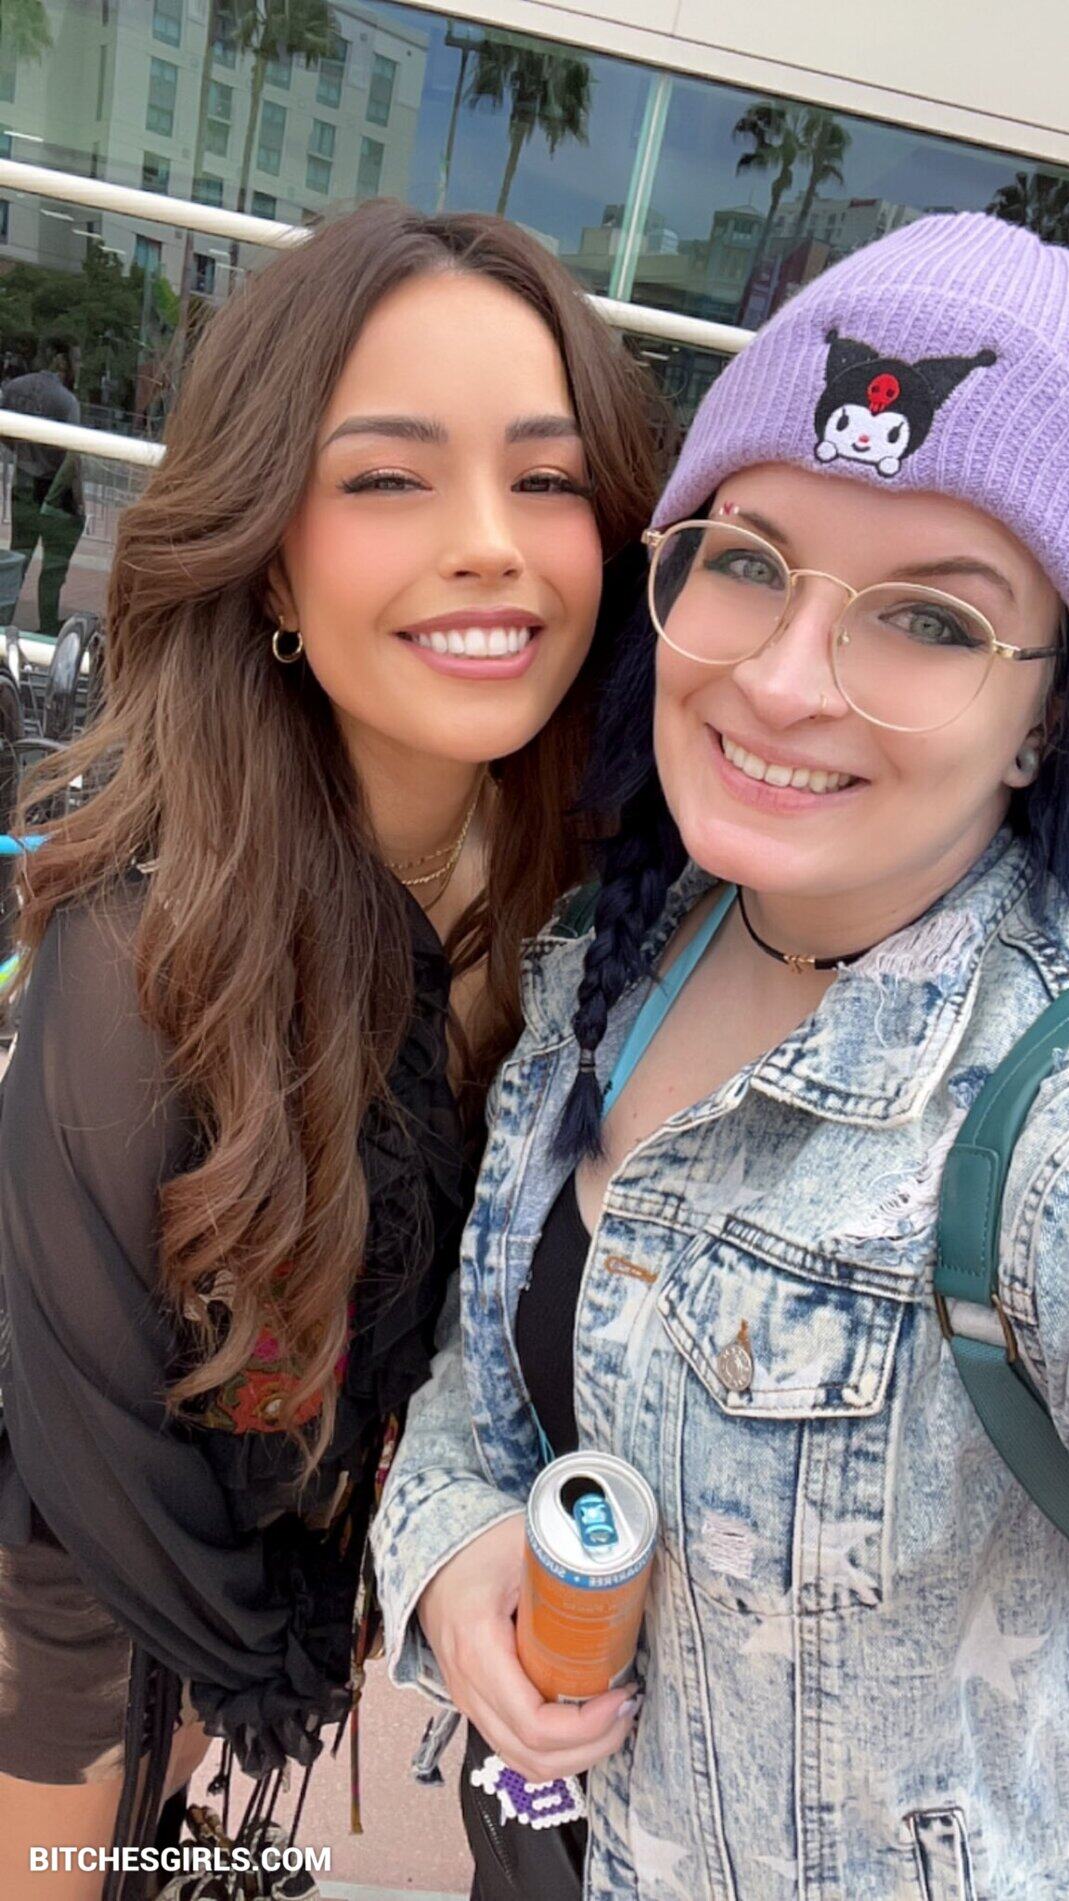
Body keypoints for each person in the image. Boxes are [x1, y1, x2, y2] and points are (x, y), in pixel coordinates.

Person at [374, 211, 1069, 1900]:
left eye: (931, 617)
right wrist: (452, 1553)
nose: (780, 678)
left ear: (1041, 715)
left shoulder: (1036, 1126)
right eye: (747, 560)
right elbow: (483, 1382)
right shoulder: (611, 951)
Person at [0, 198, 661, 1901]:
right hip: (93, 1610)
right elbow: (90, 1492)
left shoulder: (595, 904)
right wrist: (270, 1670)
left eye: (543, 477)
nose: (490, 544)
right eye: (386, 478)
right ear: (271, 557)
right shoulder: (145, 955)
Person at [2, 341, 86, 636]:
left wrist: (22, 453)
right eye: (77, 360)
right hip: (53, 488)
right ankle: (47, 626)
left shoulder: (15, 388)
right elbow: (73, 454)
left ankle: (4, 619)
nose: (80, 367)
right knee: (53, 567)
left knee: (19, 556)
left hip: (24, 480)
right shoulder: (66, 400)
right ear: (63, 361)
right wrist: (54, 498)